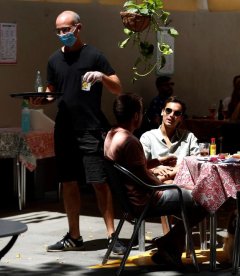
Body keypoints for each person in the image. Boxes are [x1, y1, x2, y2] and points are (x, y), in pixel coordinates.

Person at [39, 11, 124, 254]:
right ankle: (74, 236)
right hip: (64, 129)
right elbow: (50, 92)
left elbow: (118, 87)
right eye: (58, 31)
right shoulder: (54, 60)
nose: (63, 34)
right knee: (68, 182)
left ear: (79, 28)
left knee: (98, 181)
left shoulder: (94, 55)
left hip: (90, 127)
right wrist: (39, 100)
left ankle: (111, 235)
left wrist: (102, 76)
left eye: (67, 29)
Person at [104, 93, 207, 268]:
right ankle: (169, 241)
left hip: (130, 199)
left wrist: (157, 162)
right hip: (146, 200)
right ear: (136, 116)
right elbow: (144, 178)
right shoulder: (131, 141)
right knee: (205, 199)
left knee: (192, 194)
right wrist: (172, 185)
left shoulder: (112, 135)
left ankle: (171, 248)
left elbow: (136, 167)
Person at [140, 96, 199, 184]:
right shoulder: (148, 137)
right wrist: (155, 169)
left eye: (177, 113)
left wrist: (167, 177)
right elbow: (140, 165)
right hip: (155, 186)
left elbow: (197, 164)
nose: (171, 115)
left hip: (181, 183)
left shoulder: (189, 137)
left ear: (181, 118)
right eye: (168, 110)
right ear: (162, 112)